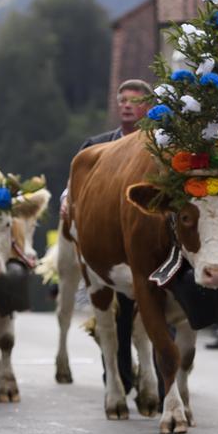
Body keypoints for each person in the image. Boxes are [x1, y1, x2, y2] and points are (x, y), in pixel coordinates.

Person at [64, 79, 154, 382]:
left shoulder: (158, 145)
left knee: (152, 316)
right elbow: (73, 188)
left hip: (145, 244)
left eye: (134, 100)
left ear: (148, 106)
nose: (126, 105)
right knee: (115, 315)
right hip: (109, 245)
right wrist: (68, 203)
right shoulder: (96, 146)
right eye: (122, 100)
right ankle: (117, 375)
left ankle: (154, 378)